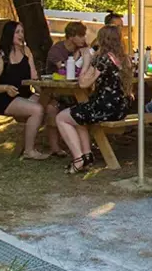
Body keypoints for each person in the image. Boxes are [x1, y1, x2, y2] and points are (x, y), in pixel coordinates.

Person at [55, 26, 133, 173]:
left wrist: (86, 61)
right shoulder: (125, 58)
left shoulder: (103, 58)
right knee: (78, 115)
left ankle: (78, 159)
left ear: (102, 40)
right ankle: (87, 156)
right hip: (121, 107)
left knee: (61, 117)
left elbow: (83, 83)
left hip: (105, 107)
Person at [0, 21, 61, 160]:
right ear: (9, 35)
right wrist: (6, 88)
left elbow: (33, 78)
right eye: (17, 32)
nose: (21, 35)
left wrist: (43, 91)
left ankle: (55, 147)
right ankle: (29, 151)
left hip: (24, 95)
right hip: (3, 98)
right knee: (37, 110)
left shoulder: (26, 51)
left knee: (52, 106)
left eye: (22, 32)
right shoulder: (0, 56)